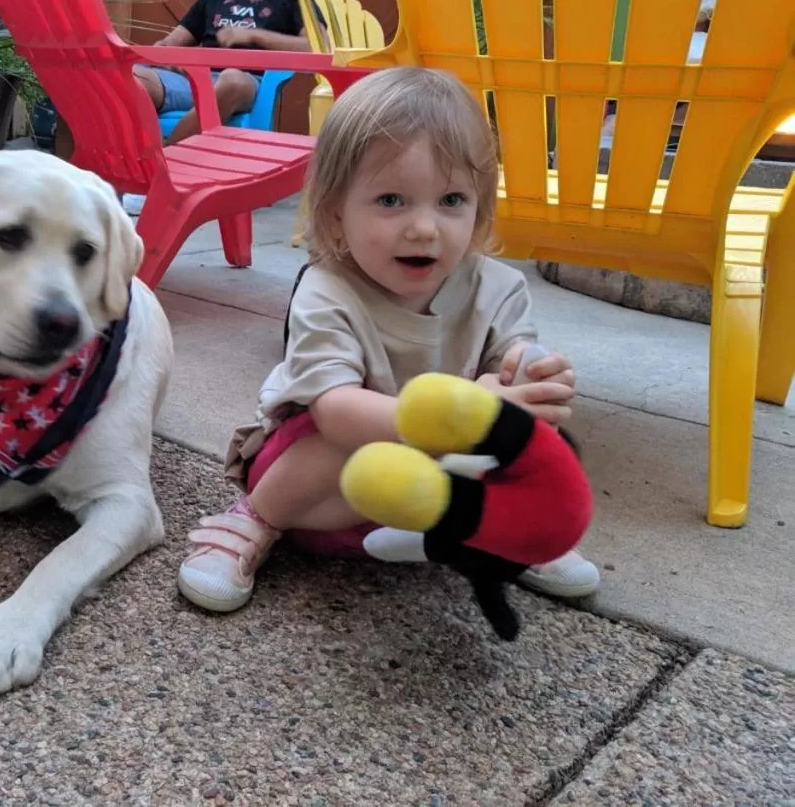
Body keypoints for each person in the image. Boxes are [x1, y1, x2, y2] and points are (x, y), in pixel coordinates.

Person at [175, 66, 601, 615]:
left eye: (451, 200)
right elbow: (336, 412)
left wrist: (529, 381)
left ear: (480, 210)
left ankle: (517, 533)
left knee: (531, 441)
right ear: (335, 214)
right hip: (322, 491)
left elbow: (508, 365)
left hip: (424, 498)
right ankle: (254, 520)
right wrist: (474, 417)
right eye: (392, 201)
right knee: (344, 438)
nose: (424, 228)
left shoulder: (498, 287)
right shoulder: (328, 291)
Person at [138, 0, 324, 147]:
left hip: (246, 85)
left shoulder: (293, 1)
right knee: (134, 78)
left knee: (231, 79)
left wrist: (252, 35)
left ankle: (166, 160)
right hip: (193, 81)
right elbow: (167, 45)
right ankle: (131, 160)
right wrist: (168, 58)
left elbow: (316, 48)